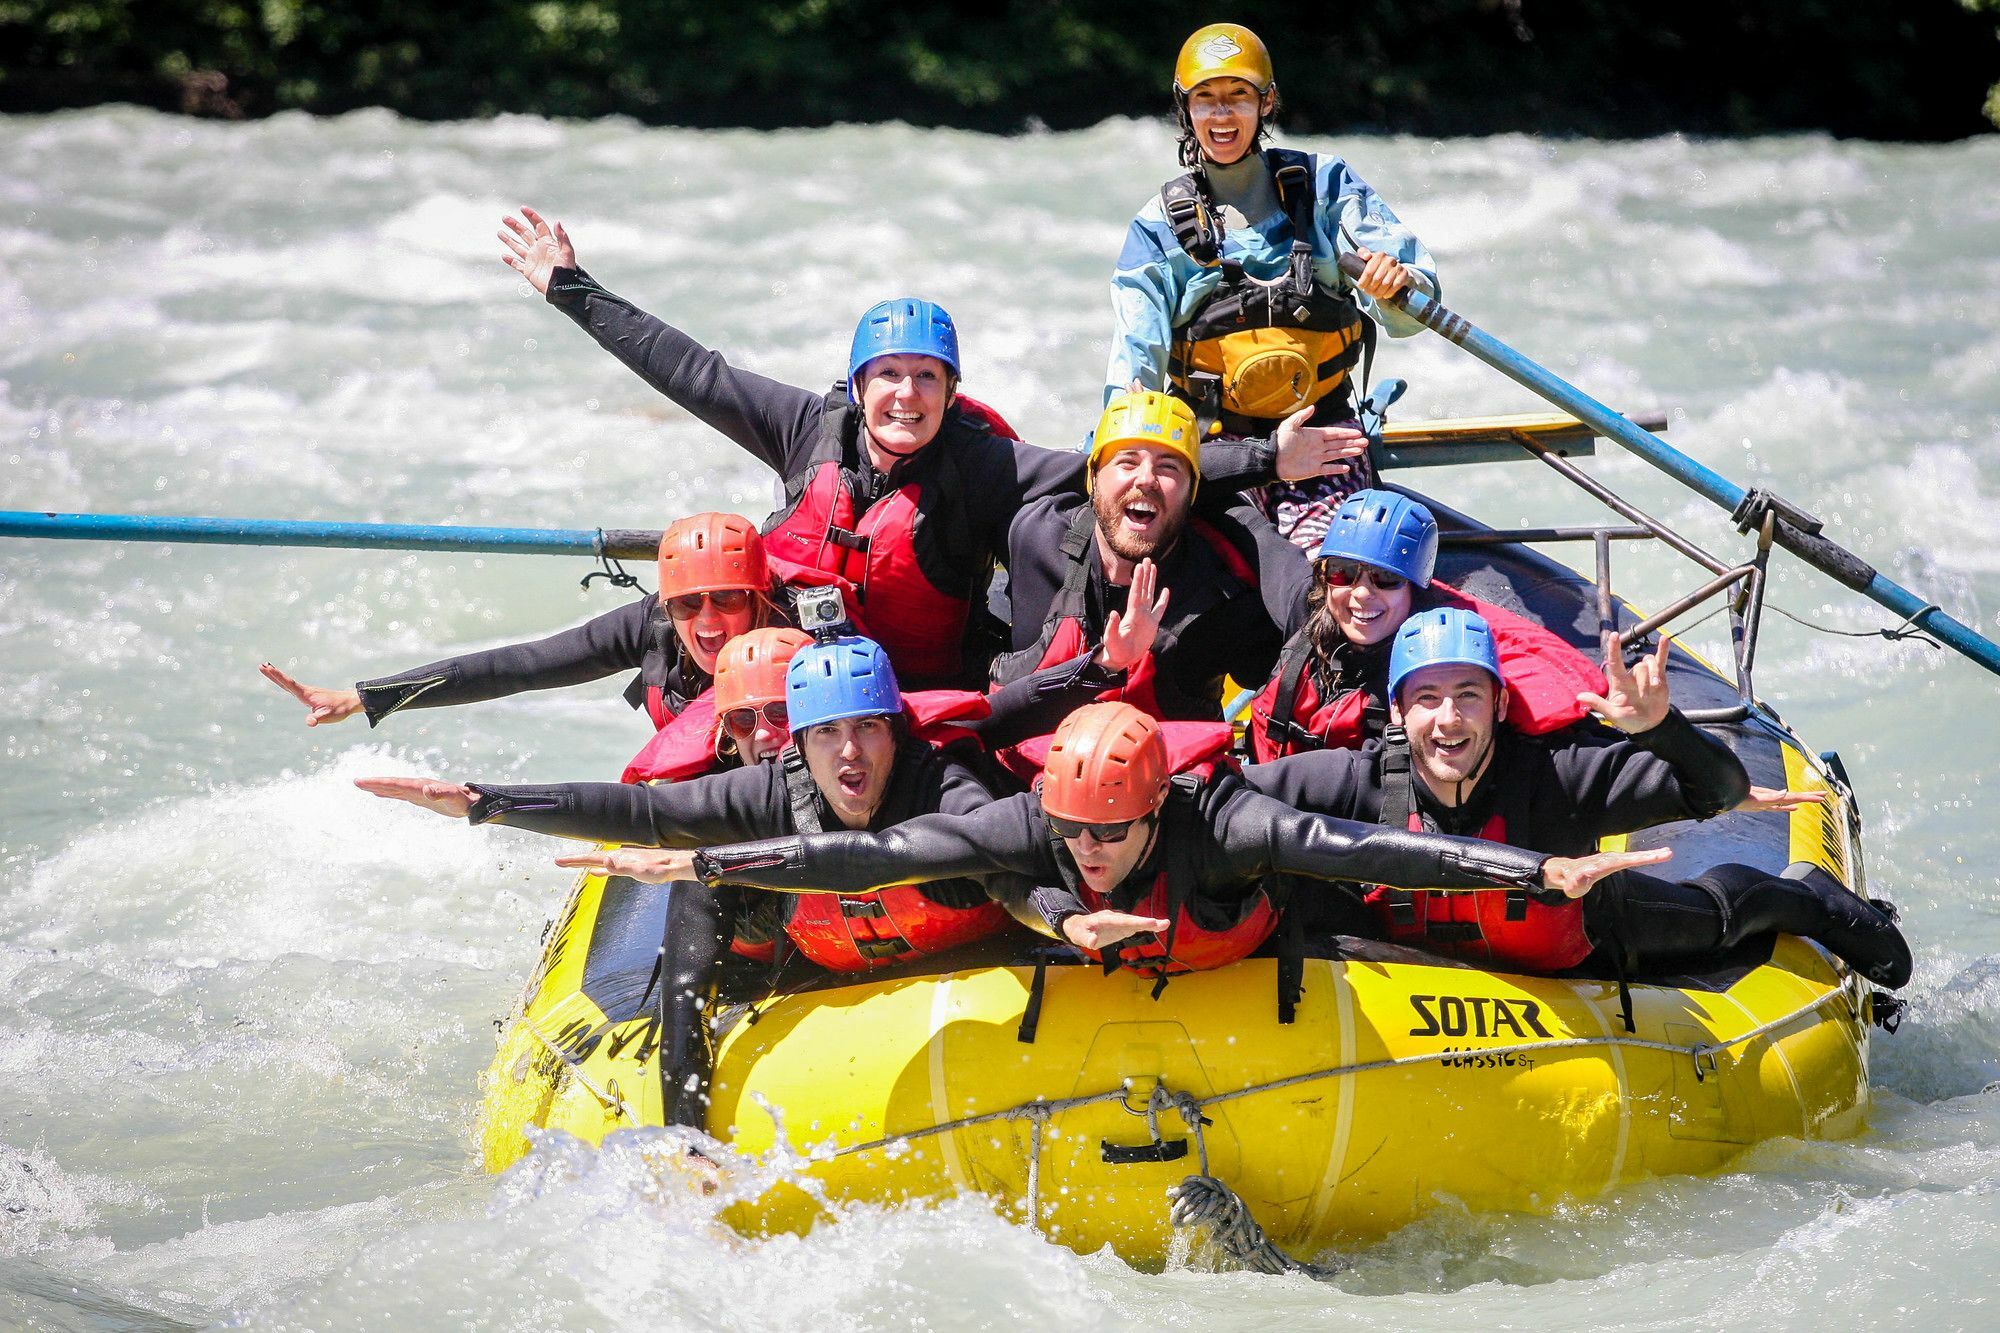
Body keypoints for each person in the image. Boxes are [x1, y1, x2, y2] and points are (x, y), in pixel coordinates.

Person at [498, 207, 1361, 688]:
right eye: (889, 376)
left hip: (916, 707)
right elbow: (693, 371)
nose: (905, 394)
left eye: (926, 378)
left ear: (950, 392)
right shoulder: (807, 429)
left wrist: (1260, 460)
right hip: (792, 691)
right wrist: (573, 292)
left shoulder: (982, 463)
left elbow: (1125, 472)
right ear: (858, 385)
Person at [355, 635, 1033, 1129]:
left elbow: (1020, 858)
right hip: (812, 953)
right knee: (706, 871)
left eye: (867, 729)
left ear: (896, 733)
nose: (849, 751)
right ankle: (682, 1126)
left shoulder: (942, 783)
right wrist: (487, 801)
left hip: (977, 960)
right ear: (802, 745)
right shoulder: (769, 794)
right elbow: (645, 812)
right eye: (827, 732)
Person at [562, 702, 1665, 1000]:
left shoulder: (1224, 824)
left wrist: (1531, 871)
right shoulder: (1034, 827)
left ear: (1154, 814)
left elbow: (1362, 844)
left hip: (1253, 948)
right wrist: (709, 867)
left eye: (1111, 833)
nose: (1089, 851)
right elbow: (873, 857)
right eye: (1074, 833)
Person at [1243, 607, 1912, 986]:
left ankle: (1804, 892)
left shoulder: (1555, 775)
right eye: (1427, 698)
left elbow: (1719, 789)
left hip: (1588, 936)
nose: (1448, 719)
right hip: (1435, 959)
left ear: (1500, 703)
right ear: (1397, 713)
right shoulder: (1352, 780)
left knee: (1723, 917)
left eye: (1468, 695)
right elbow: (1225, 804)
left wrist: (1660, 729)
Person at [1107, 22, 1440, 550]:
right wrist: (1118, 437)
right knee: (1218, 571)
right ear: (1185, 108)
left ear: (1266, 103)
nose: (1222, 115)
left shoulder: (1327, 187)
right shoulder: (1157, 229)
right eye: (1206, 99)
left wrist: (1393, 286)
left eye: (1238, 96)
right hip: (1214, 443)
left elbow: (1408, 316)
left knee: (1328, 567)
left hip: (1325, 434)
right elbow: (1135, 365)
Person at [260, 511, 785, 737]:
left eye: (728, 598)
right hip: (697, 805)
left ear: (759, 597)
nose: (709, 620)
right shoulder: (653, 625)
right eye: (689, 604)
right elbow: (523, 666)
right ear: (667, 605)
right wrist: (364, 697)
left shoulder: (800, 643)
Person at [991, 389, 1315, 721]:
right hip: (1031, 759)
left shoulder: (1223, 592)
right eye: (1127, 462)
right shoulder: (1035, 536)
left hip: (1164, 771)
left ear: (1193, 494)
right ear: (1091, 479)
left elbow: (1293, 672)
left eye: (1168, 467)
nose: (1146, 479)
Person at [1248, 489, 1606, 761]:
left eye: (1385, 578)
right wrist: (1266, 458)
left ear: (1417, 589)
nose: (1360, 594)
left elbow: (1557, 694)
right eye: (1343, 572)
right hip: (1276, 807)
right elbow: (1252, 532)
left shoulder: (1444, 653)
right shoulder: (1309, 608)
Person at [621, 625, 813, 784]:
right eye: (743, 720)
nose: (763, 734)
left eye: (781, 712)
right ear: (726, 729)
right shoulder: (703, 799)